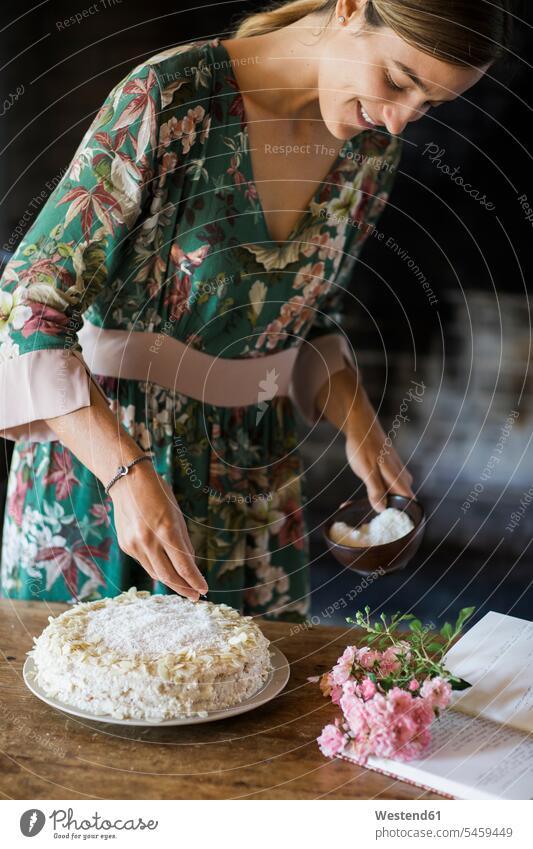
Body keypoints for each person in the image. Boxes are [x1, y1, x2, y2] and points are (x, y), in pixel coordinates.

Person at [0, 0, 512, 618]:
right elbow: (30, 308)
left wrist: (359, 422)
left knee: (250, 697)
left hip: (253, 483)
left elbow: (311, 313)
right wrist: (125, 476)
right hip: (104, 474)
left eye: (428, 105)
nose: (400, 121)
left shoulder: (371, 150)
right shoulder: (171, 95)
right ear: (350, 9)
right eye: (399, 80)